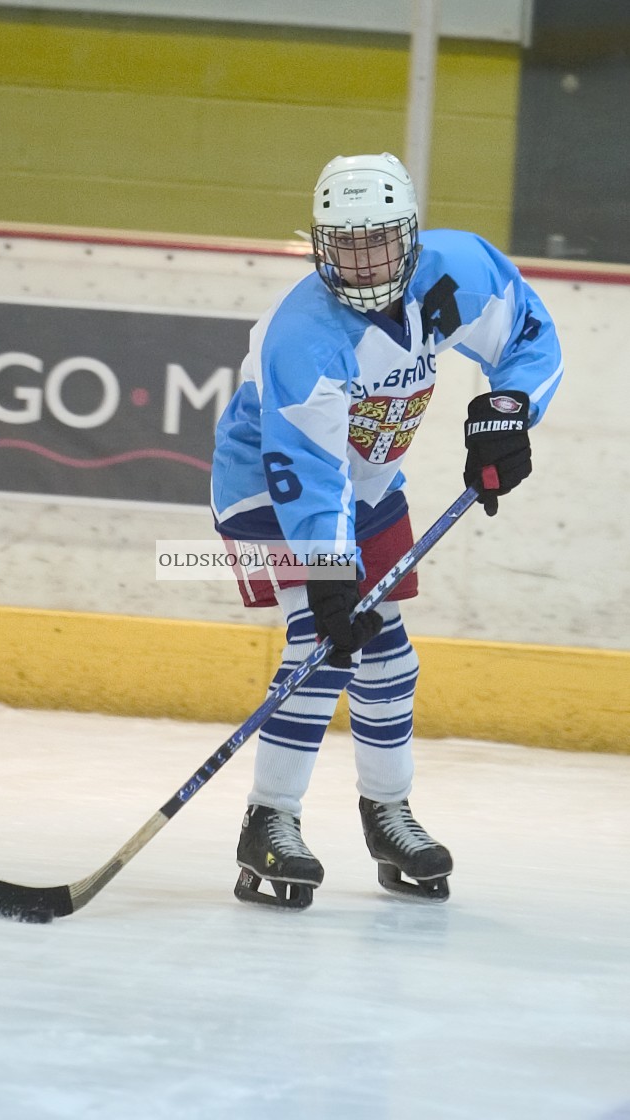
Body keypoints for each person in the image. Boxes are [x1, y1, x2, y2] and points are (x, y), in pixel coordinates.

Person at [211, 153, 563, 909]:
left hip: (366, 483)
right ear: (318, 244)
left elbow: (530, 336)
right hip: (268, 487)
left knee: (389, 655)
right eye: (343, 245)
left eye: (376, 242)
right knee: (324, 642)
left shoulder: (458, 268)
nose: (361, 261)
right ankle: (268, 820)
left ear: (409, 235)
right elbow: (306, 468)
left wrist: (507, 412)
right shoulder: (301, 335)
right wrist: (332, 570)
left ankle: (386, 813)